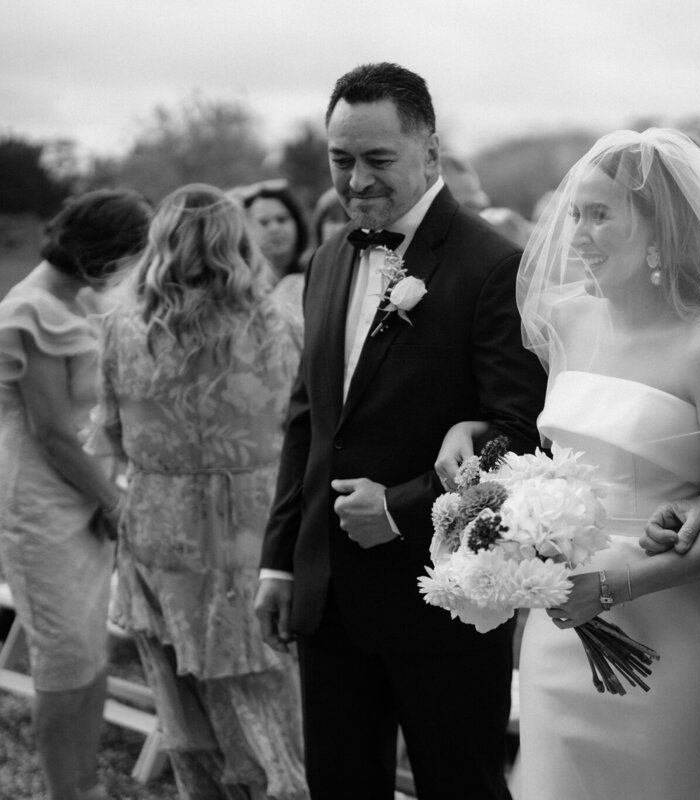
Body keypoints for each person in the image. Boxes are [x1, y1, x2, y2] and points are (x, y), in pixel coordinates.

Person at [436, 127, 700, 800]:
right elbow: (541, 448)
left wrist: (620, 583)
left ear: (658, 229)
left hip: (665, 628)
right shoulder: (567, 323)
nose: (575, 232)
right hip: (556, 636)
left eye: (600, 214)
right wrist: (478, 447)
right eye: (573, 212)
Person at [253, 62, 545, 800]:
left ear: (430, 152)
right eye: (340, 160)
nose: (355, 181)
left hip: (440, 603)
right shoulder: (326, 260)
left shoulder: (493, 266)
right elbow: (307, 421)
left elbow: (520, 435)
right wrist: (282, 561)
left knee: (460, 785)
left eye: (377, 160)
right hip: (329, 600)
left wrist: (401, 508)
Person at [96, 184, 307, 800]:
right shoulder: (277, 323)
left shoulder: (121, 326)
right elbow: (307, 426)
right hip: (249, 519)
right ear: (236, 243)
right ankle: (286, 782)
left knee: (181, 693)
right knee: (263, 680)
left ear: (159, 243)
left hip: (161, 523)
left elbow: (109, 426)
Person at [0, 189, 151, 800]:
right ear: (104, 253)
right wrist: (113, 504)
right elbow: (54, 433)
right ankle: (68, 790)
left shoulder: (76, 302)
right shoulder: (28, 311)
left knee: (89, 649)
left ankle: (86, 786)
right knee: (62, 657)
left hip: (86, 491)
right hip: (42, 498)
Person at [236, 181, 309, 325]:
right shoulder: (240, 288)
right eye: (264, 222)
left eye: (282, 219)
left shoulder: (317, 274)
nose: (275, 228)